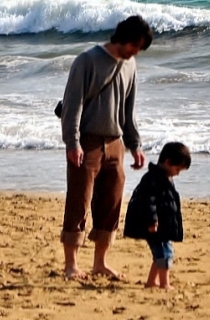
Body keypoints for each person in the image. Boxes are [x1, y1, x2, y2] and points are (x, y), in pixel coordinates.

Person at [59, 15, 153, 280]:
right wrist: (72, 142)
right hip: (86, 143)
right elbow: (72, 106)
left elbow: (128, 111)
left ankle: (100, 262)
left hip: (115, 143)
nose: (136, 52)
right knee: (79, 202)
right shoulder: (86, 61)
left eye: (140, 48)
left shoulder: (130, 65)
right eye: (134, 45)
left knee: (111, 204)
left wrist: (135, 145)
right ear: (122, 38)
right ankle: (71, 265)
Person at [123, 141, 191, 289]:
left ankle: (151, 282)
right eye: (177, 169)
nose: (177, 173)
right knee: (164, 253)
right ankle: (164, 283)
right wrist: (152, 220)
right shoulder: (153, 179)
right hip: (154, 225)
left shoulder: (165, 178)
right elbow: (149, 201)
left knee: (161, 253)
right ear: (167, 162)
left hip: (164, 224)